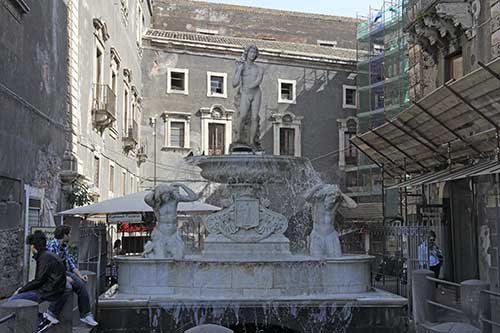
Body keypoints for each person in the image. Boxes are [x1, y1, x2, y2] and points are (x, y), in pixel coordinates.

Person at [10, 230, 69, 330]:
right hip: (53, 289)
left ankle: (41, 319)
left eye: (31, 247)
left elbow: (38, 281)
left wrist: (20, 290)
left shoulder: (44, 258)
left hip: (48, 291)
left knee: (13, 300)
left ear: (34, 247)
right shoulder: (48, 255)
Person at [47, 225, 98, 327]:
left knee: (81, 285)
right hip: (53, 274)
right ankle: (51, 312)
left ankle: (85, 315)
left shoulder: (64, 247)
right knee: (67, 287)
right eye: (69, 233)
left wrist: (80, 275)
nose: (70, 235)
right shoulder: (51, 245)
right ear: (64, 235)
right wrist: (64, 278)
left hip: (64, 272)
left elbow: (71, 263)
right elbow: (51, 266)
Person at [232, 43, 264, 149]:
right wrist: (239, 70)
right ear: (247, 53)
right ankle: (238, 138)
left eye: (255, 52)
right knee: (242, 116)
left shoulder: (259, 68)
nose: (253, 54)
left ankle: (251, 142)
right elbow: (234, 83)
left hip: (256, 93)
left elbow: (259, 80)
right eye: (251, 52)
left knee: (254, 118)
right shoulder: (241, 66)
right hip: (245, 93)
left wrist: (251, 86)